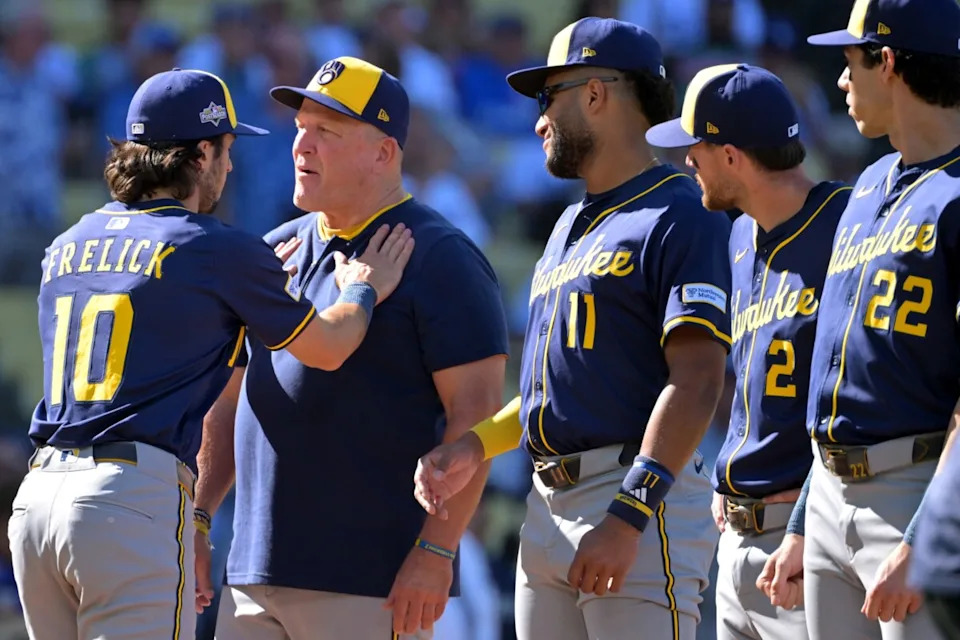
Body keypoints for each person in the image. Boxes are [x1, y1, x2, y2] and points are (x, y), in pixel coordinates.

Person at [5, 68, 414, 640]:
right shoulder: (214, 247)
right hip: (125, 499)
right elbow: (327, 348)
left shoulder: (67, 243)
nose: (230, 164)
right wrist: (361, 287)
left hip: (37, 502)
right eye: (225, 148)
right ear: (199, 153)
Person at [414, 17, 733, 640]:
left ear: (596, 94)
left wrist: (631, 511)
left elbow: (698, 381)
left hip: (633, 495)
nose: (539, 121)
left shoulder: (680, 210)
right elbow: (547, 396)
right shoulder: (565, 228)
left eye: (547, 98)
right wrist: (474, 445)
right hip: (547, 505)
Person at [195, 56, 510, 640]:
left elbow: (477, 417)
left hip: (372, 581)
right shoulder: (275, 248)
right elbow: (231, 399)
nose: (301, 147)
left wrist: (437, 552)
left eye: (326, 133)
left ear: (384, 153)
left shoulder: (441, 256)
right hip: (252, 574)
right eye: (300, 130)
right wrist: (199, 515)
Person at [758, 0, 960, 638]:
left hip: (916, 490)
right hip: (827, 499)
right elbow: (838, 374)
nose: (842, 80)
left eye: (851, 61)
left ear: (890, 62)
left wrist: (926, 535)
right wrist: (799, 526)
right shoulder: (867, 185)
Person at [645, 63, 852, 639]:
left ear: (731, 156)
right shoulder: (737, 235)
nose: (687, 160)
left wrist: (814, 511)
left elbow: (865, 386)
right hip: (738, 537)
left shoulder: (847, 223)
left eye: (697, 148)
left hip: (808, 535)